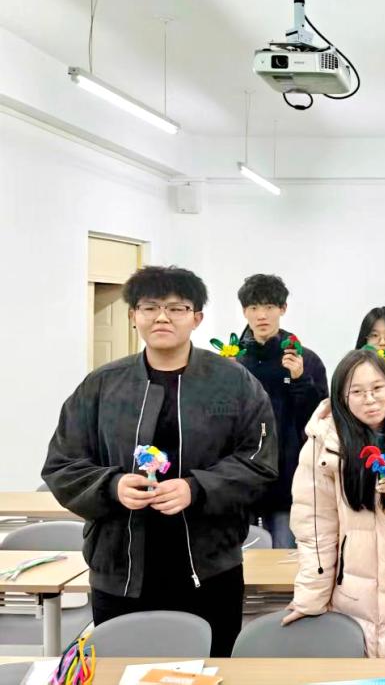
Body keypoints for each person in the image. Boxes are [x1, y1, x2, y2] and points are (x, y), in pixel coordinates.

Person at [42, 266, 277, 657]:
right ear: (133, 316)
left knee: (212, 671)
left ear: (197, 318)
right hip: (119, 570)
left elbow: (259, 461)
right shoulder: (102, 385)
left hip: (209, 568)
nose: (162, 317)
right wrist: (112, 486)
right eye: (149, 307)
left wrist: (196, 489)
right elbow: (62, 464)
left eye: (176, 308)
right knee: (121, 672)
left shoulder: (234, 382)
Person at [286, 349, 385, 685]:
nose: (370, 399)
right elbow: (315, 528)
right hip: (352, 595)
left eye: (377, 389)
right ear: (341, 398)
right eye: (357, 392)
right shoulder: (323, 445)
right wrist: (311, 597)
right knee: (359, 672)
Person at [235, 273, 328, 547]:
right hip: (243, 474)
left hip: (288, 475)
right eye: (254, 307)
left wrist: (300, 380)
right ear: (244, 311)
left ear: (283, 309)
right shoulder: (234, 360)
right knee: (243, 556)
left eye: (269, 306)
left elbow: (320, 418)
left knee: (285, 553)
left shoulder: (305, 359)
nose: (261, 315)